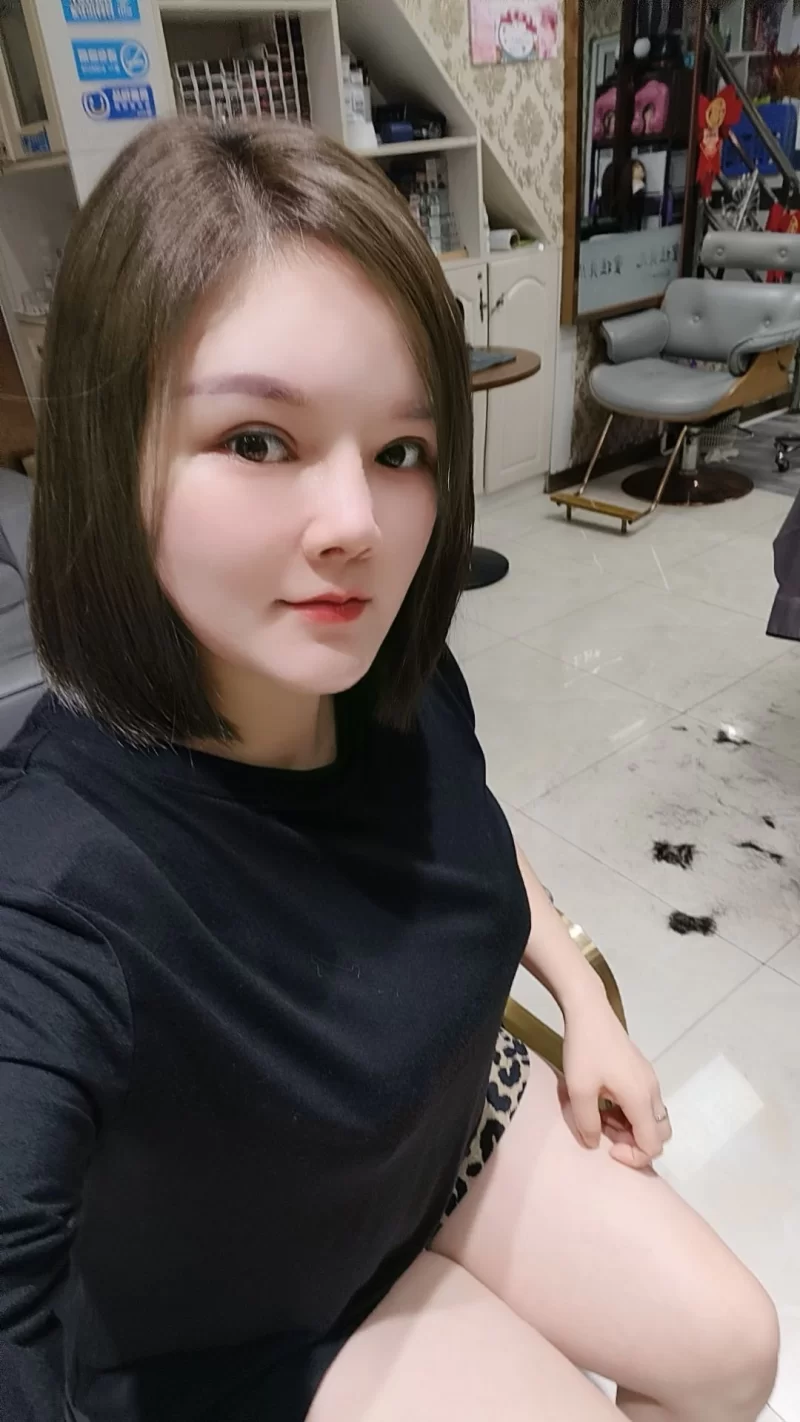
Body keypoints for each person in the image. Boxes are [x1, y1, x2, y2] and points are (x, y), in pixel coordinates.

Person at [0, 119, 778, 1422]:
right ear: (109, 452)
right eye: (259, 440)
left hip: (434, 1129)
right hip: (255, 1309)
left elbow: (465, 828)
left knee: (736, 1351)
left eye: (401, 451)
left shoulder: (379, 682)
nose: (357, 524)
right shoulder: (54, 894)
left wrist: (578, 991)